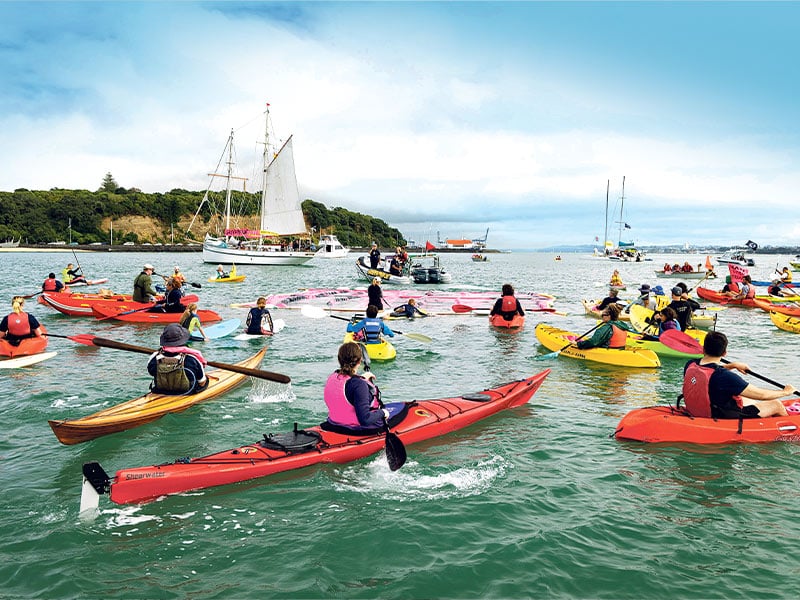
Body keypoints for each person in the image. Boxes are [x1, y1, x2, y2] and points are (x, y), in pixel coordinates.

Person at [682, 331, 794, 419]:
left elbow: (709, 373)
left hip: (700, 409)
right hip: (720, 415)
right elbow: (762, 395)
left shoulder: (690, 364)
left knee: (744, 398)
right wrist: (786, 392)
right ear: (724, 353)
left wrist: (733, 365)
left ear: (703, 348)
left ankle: (760, 416)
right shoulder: (724, 377)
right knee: (776, 404)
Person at [323, 341, 390, 430]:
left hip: (333, 423)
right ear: (359, 361)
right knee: (401, 413)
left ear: (339, 360)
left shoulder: (333, 377)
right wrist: (383, 412)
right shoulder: (359, 385)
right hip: (354, 429)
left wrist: (362, 378)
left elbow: (348, 386)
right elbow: (365, 420)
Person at [147, 324, 208, 394]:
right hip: (187, 392)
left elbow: (151, 372)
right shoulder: (192, 359)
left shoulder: (154, 357)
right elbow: (202, 382)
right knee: (206, 381)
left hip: (160, 391)